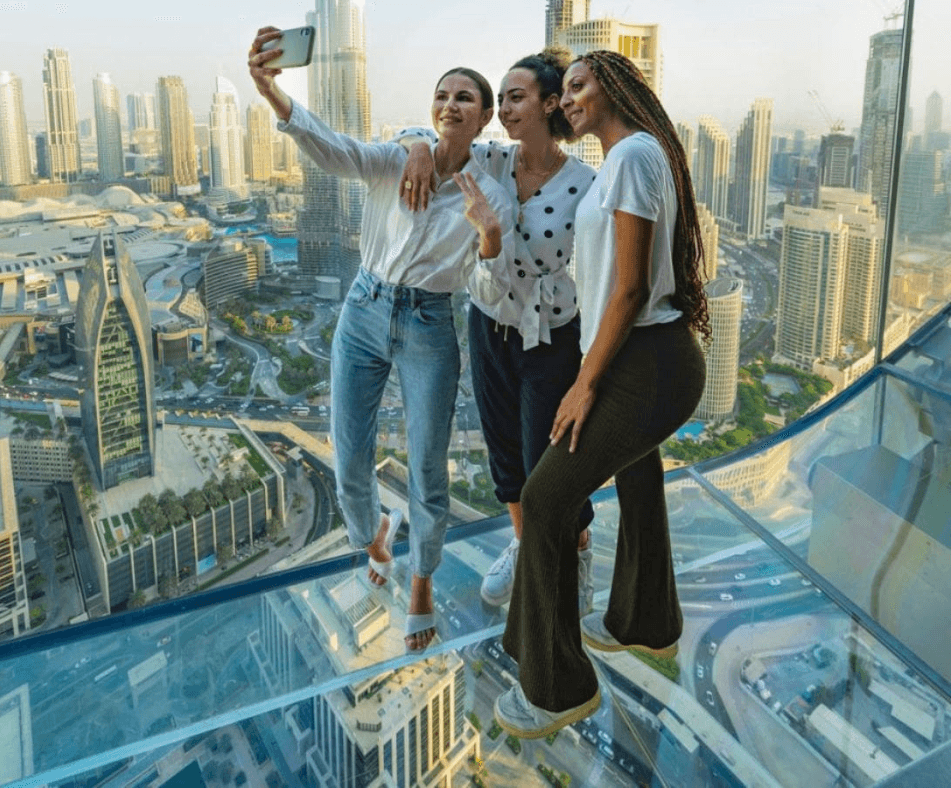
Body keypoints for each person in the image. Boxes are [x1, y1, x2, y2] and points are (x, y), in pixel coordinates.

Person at [248, 28, 517, 653]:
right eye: (442, 96)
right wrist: (272, 94)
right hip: (364, 308)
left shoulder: (492, 194)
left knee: (428, 463)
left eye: (465, 99)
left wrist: (489, 237)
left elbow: (489, 286)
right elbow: (333, 150)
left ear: (482, 120)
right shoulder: (400, 158)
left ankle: (421, 578)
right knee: (348, 448)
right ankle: (373, 536)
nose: (450, 104)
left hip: (430, 323)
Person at [493, 50, 709, 739]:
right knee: (637, 472)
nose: (567, 100)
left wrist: (585, 385)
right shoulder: (626, 159)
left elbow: (630, 288)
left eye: (579, 85)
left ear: (614, 86)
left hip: (647, 361)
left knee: (549, 498)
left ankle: (555, 689)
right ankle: (645, 621)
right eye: (564, 92)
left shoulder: (633, 157)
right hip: (636, 357)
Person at [395, 48, 596, 616]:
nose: (504, 109)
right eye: (501, 99)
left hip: (550, 336)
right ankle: (523, 542)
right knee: (504, 452)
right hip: (489, 326)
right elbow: (437, 132)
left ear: (549, 104)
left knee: (548, 461)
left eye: (516, 97)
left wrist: (490, 238)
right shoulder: (490, 160)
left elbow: (554, 264)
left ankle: (578, 548)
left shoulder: (585, 184)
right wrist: (415, 146)